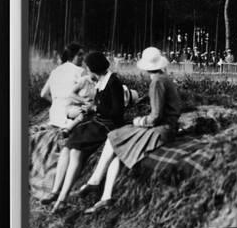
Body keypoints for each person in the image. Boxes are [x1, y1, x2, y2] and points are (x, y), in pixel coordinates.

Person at [76, 47, 181, 214]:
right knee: (119, 148)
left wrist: (139, 120)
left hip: (162, 129)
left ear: (146, 66)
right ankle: (106, 197)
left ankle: (95, 181)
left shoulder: (157, 82)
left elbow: (156, 117)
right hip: (168, 126)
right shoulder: (164, 78)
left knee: (114, 136)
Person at [41, 52, 125, 213]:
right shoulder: (101, 81)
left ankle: (62, 199)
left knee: (75, 152)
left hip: (108, 125)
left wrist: (95, 108)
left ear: (94, 69)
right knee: (68, 148)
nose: (87, 72)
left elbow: (117, 112)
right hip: (98, 122)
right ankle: (56, 192)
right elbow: (100, 105)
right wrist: (89, 108)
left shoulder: (113, 82)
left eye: (88, 69)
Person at [40, 43, 85, 128]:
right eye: (79, 55)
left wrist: (58, 103)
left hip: (54, 114)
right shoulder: (80, 71)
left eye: (83, 55)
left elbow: (43, 94)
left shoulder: (55, 71)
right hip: (71, 114)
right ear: (71, 56)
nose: (83, 57)